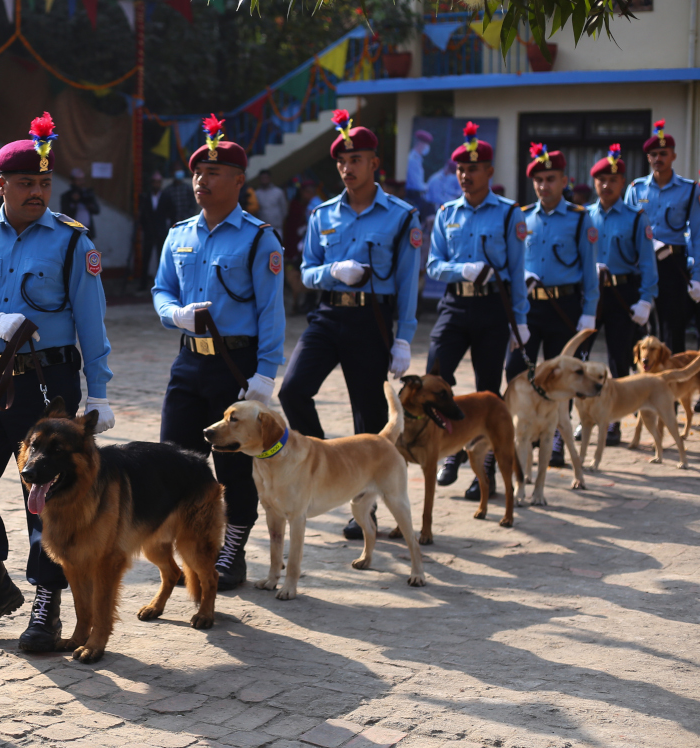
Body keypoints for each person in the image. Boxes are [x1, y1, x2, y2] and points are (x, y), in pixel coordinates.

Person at [0, 112, 114, 653]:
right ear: (2, 187)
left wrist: (100, 390)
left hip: (47, 382)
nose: (37, 192)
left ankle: (47, 599)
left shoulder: (71, 243)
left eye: (43, 183)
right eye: (26, 184)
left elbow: (92, 322)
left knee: (42, 493)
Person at [152, 114, 286, 589]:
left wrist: (266, 374)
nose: (201, 181)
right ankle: (193, 545)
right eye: (197, 173)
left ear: (238, 180)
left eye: (213, 173)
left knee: (233, 465)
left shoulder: (258, 237)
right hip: (189, 359)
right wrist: (176, 314)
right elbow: (160, 290)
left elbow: (272, 310)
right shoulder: (179, 234)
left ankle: (233, 550)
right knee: (176, 456)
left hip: (237, 363)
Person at [279, 109, 421, 539]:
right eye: (341, 160)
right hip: (328, 314)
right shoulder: (323, 214)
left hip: (371, 320)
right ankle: (333, 463)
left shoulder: (400, 215)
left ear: (374, 163)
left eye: (355, 159)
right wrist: (333, 271)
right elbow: (306, 272)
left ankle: (366, 503)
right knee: (293, 390)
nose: (347, 167)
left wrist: (404, 339)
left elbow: (408, 281)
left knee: (369, 414)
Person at [425, 122, 529, 499]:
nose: (466, 176)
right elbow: (434, 265)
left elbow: (517, 271)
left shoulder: (508, 214)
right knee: (436, 376)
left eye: (473, 169)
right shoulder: (446, 213)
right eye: (460, 169)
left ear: (489, 172)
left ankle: (481, 463)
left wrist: (521, 320)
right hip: (455, 303)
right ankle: (450, 448)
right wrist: (461, 269)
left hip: (491, 309)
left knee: (488, 390)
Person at [513, 142, 599, 467]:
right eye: (538, 180)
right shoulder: (521, 218)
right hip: (528, 308)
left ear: (564, 181)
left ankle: (559, 437)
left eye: (550, 179)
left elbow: (590, 270)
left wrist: (589, 313)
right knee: (519, 370)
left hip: (565, 308)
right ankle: (525, 429)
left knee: (566, 376)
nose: (543, 186)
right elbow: (512, 262)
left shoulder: (580, 219)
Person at [584, 143, 656, 445]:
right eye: (601, 179)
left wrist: (645, 299)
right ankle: (585, 416)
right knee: (582, 357)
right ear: (594, 182)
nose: (606, 184)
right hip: (590, 292)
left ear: (622, 183)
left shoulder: (636, 217)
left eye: (613, 180)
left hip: (622, 292)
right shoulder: (583, 216)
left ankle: (612, 422)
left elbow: (648, 263)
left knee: (618, 358)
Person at [626, 119, 698, 356]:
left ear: (673, 156)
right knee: (638, 325)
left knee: (672, 328)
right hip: (640, 265)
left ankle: (671, 387)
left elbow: (696, 234)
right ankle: (639, 382)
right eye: (653, 154)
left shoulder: (689, 190)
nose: (658, 158)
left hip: (672, 264)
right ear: (648, 158)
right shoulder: (636, 189)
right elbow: (627, 229)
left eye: (663, 153)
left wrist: (697, 275)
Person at [138, 170, 173, 289]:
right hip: (149, 231)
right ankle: (143, 284)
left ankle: (162, 284)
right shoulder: (145, 197)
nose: (156, 185)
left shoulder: (166, 197)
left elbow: (171, 214)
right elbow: (142, 215)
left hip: (161, 231)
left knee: (161, 258)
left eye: (158, 182)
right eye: (154, 182)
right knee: (146, 257)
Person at [61, 168, 101, 238]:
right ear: (73, 181)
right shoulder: (66, 196)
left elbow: (96, 210)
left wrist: (87, 204)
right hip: (73, 232)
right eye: (78, 180)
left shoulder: (88, 194)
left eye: (82, 180)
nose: (81, 183)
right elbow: (65, 214)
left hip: (87, 231)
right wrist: (74, 202)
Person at [252, 170, 288, 237]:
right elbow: (255, 211)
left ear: (269, 178)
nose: (264, 180)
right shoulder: (256, 194)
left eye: (266, 177)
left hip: (277, 227)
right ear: (259, 179)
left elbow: (284, 209)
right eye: (262, 178)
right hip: (263, 228)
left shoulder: (278, 192)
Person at [404, 129, 433, 213]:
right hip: (413, 196)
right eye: (426, 144)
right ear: (420, 143)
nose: (427, 147)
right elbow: (417, 185)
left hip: (416, 196)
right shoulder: (413, 159)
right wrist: (428, 187)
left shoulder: (418, 159)